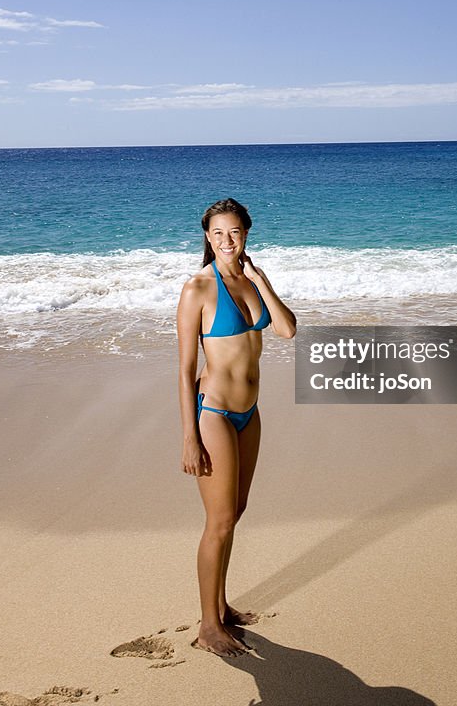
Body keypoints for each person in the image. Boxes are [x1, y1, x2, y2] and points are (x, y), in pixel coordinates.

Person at [177, 197, 296, 657]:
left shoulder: (250, 282)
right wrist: (189, 436)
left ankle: (220, 607)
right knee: (220, 520)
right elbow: (185, 368)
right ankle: (209, 626)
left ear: (246, 234)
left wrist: (262, 279)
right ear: (207, 237)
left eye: (236, 232)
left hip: (251, 413)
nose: (227, 241)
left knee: (236, 511)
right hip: (216, 415)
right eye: (218, 233)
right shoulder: (198, 289)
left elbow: (286, 330)